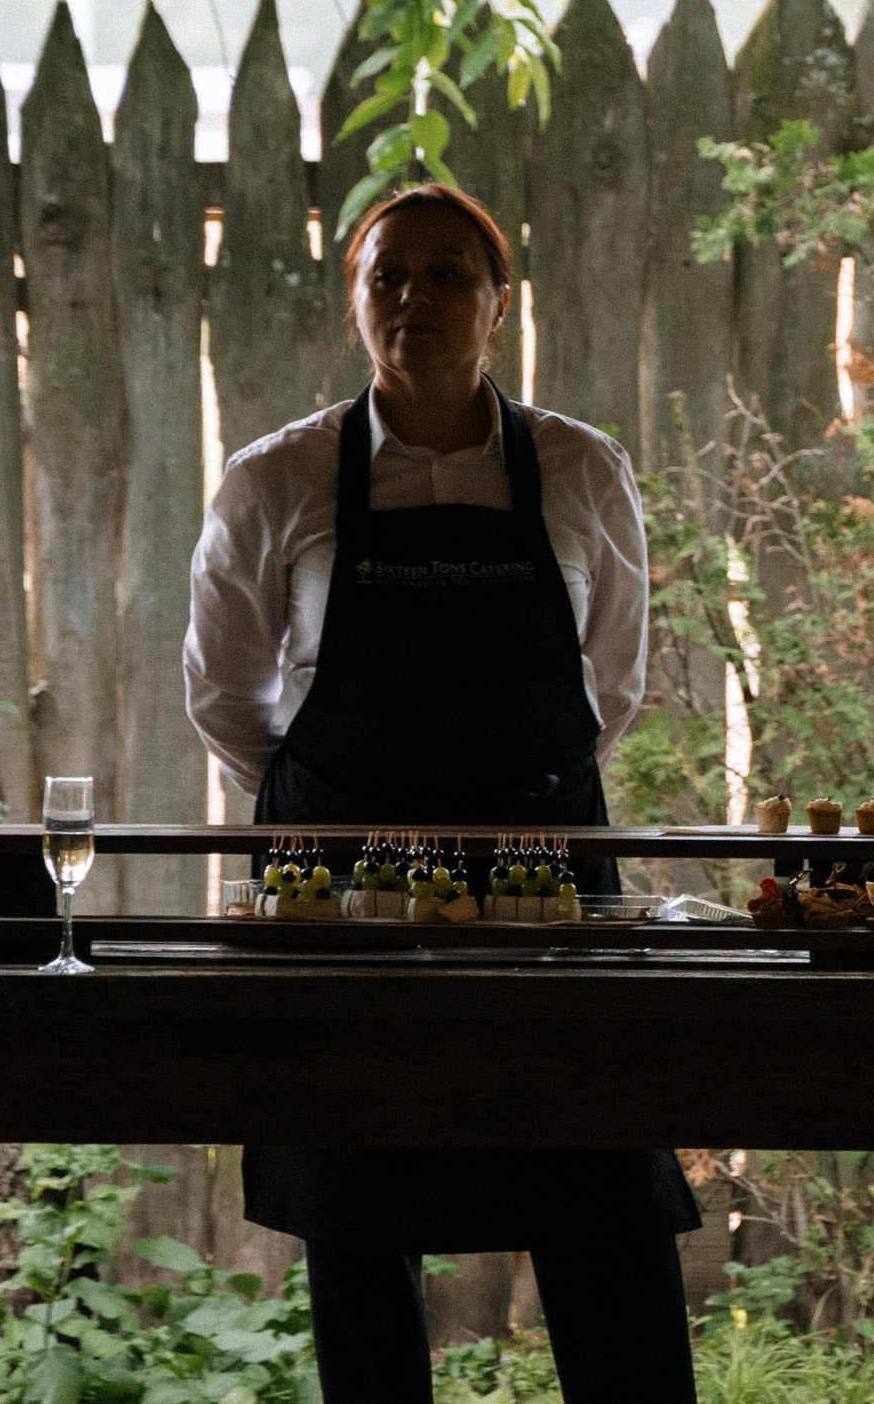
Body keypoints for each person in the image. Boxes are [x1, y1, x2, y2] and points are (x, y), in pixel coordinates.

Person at [183, 184, 699, 1403]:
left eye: (447, 274)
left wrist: (514, 793)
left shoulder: (578, 467)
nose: (415, 297)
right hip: (343, 902)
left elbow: (612, 680)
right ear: (358, 303)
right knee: (358, 1217)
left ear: (499, 306)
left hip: (545, 892)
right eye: (388, 276)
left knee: (600, 1191)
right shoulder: (279, 480)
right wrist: (346, 803)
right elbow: (225, 698)